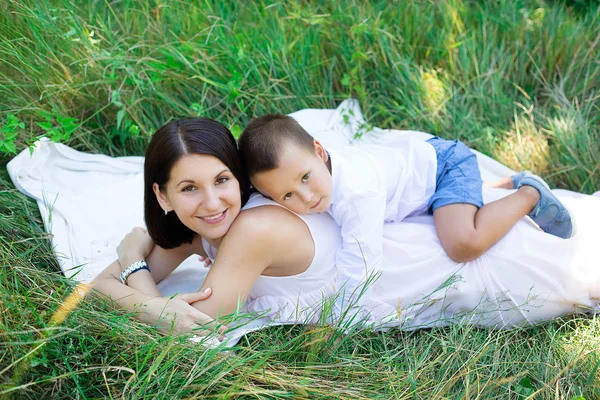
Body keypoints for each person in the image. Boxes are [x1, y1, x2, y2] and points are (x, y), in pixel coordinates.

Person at [94, 116, 598, 338]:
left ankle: (528, 196)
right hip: (410, 243)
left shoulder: (251, 230)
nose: (212, 202)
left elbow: (188, 324)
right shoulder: (205, 222)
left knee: (581, 267)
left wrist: (136, 262)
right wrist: (139, 262)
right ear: (161, 196)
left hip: (441, 267)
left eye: (223, 180)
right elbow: (99, 285)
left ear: (242, 179)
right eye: (188, 189)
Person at [237, 114, 573, 308]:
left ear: (319, 151)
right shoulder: (308, 176)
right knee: (453, 214)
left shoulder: (357, 193)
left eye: (306, 178)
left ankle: (528, 193)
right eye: (288, 196)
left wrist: (337, 318)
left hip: (445, 167)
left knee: (462, 243)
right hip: (412, 165)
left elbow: (362, 265)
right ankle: (495, 187)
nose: (307, 198)